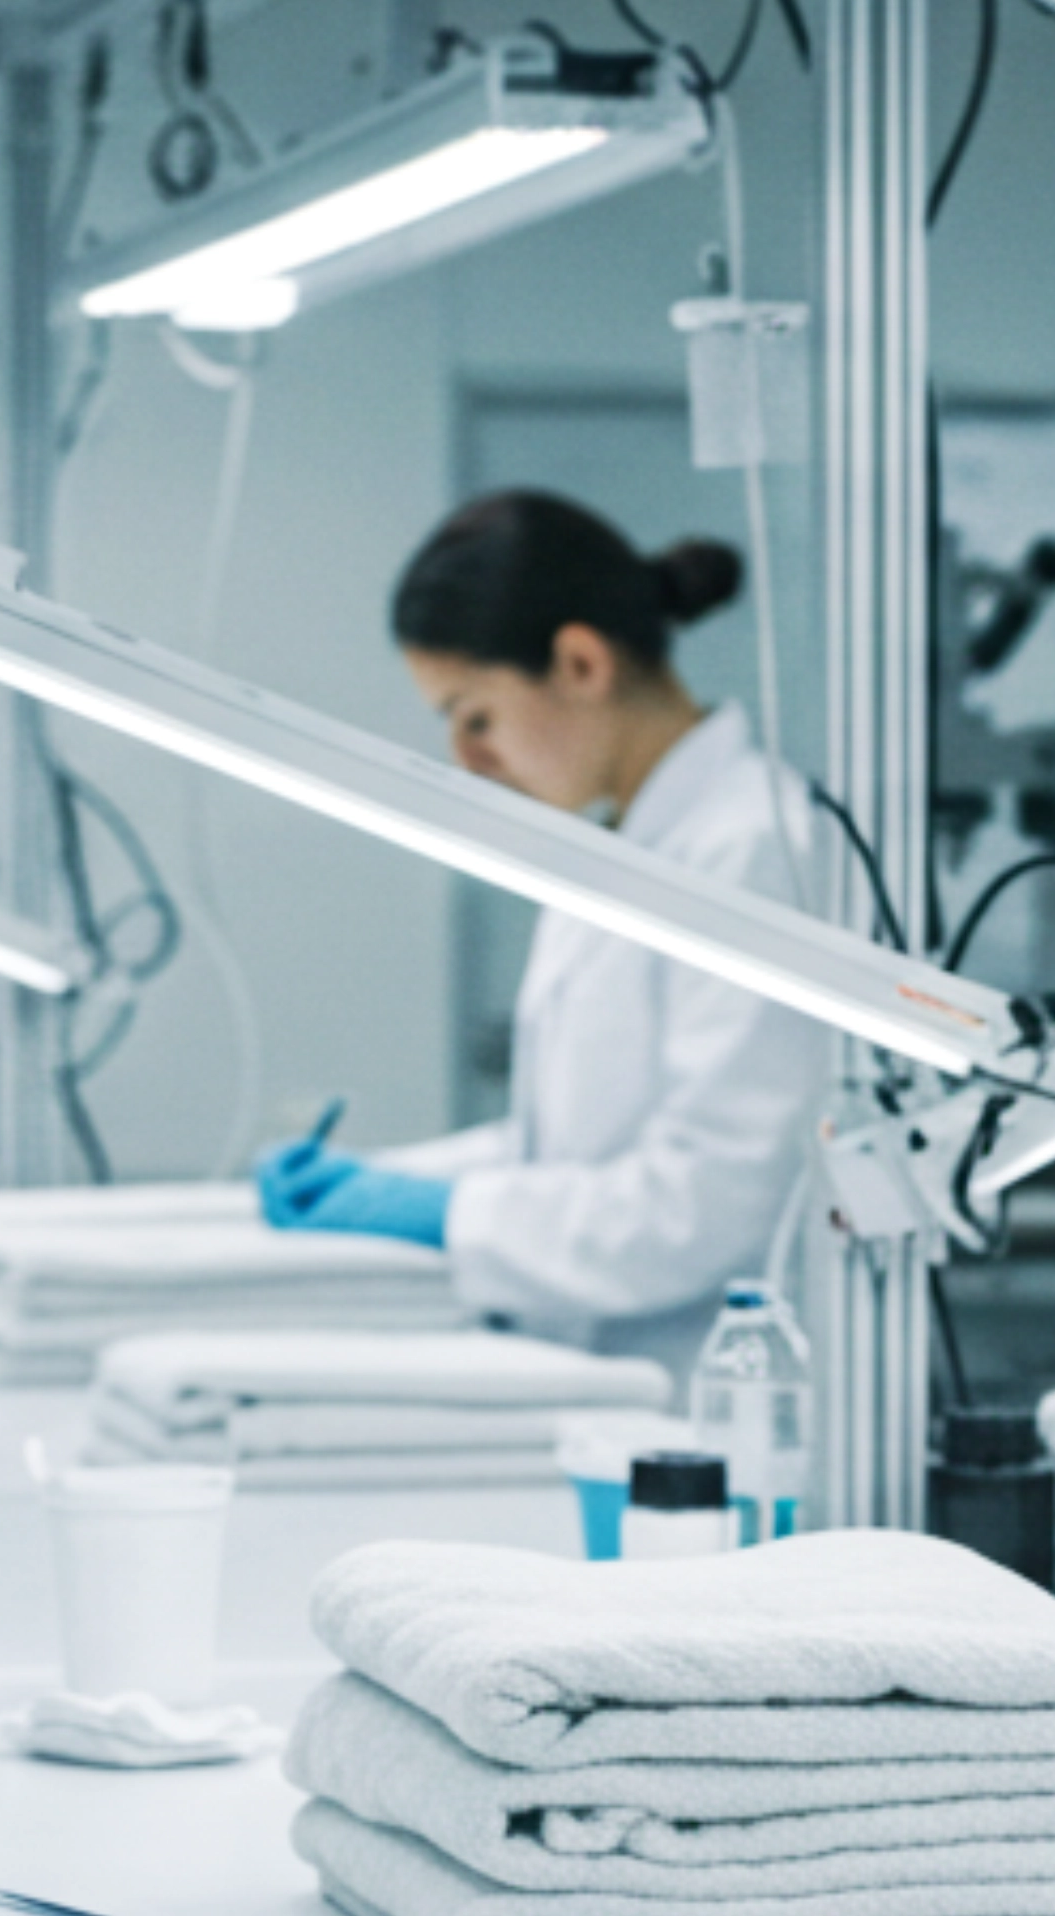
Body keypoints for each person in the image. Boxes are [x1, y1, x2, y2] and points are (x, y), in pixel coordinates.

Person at [252, 490, 823, 1377]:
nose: (467, 760)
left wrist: (445, 1214)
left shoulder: (750, 845)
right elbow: (560, 1152)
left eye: (475, 715)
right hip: (613, 1391)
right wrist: (390, 1181)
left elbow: (712, 1197)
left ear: (579, 662)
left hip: (715, 1398)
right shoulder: (626, 849)